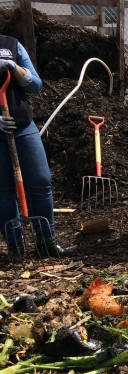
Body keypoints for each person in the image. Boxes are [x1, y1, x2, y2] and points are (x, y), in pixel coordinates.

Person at [0, 34, 74, 263]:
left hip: (23, 126)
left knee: (41, 181)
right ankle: (15, 246)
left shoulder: (10, 44)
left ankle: (47, 242)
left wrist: (14, 68)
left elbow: (36, 85)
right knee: (2, 189)